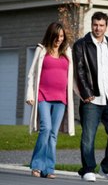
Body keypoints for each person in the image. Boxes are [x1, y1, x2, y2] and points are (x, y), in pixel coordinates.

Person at [72, 11, 108, 183]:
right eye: (95, 24)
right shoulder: (81, 45)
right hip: (91, 100)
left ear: (106, 26)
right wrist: (86, 93)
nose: (98, 28)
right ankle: (87, 169)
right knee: (88, 136)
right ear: (91, 25)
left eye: (101, 25)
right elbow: (79, 71)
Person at [26, 21, 75, 179]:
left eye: (62, 36)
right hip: (43, 96)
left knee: (53, 134)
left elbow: (73, 80)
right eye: (57, 36)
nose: (59, 39)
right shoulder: (42, 51)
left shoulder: (67, 53)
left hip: (61, 99)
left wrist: (84, 94)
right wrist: (30, 94)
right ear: (51, 35)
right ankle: (37, 166)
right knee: (45, 129)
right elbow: (32, 73)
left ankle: (48, 169)